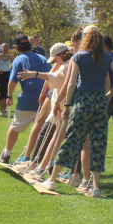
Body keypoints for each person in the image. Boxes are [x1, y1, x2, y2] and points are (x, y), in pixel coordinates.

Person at [41, 26, 113, 197]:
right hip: (100, 102)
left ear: (85, 38)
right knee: (98, 143)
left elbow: (71, 84)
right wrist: (109, 94)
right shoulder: (106, 57)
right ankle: (95, 187)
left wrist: (67, 105)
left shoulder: (78, 56)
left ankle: (52, 180)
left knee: (72, 139)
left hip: (83, 101)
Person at [0, 34, 51, 164]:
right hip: (46, 98)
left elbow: (12, 81)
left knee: (15, 127)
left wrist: (9, 96)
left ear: (16, 47)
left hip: (28, 97)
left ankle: (6, 154)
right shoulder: (43, 58)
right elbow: (50, 77)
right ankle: (37, 158)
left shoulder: (18, 60)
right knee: (40, 129)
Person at [16, 43, 71, 177]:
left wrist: (33, 74)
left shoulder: (66, 66)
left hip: (62, 107)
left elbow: (54, 78)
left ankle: (40, 166)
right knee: (45, 133)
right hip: (57, 105)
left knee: (51, 137)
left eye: (56, 59)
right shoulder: (64, 64)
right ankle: (37, 163)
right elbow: (52, 76)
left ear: (62, 55)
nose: (55, 62)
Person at [0, 43, 14, 114]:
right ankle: (0, 110)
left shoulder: (10, 57)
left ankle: (4, 110)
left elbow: (15, 65)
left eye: (7, 47)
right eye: (4, 47)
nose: (5, 48)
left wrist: (11, 70)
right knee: (1, 92)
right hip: (0, 75)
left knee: (6, 93)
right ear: (1, 48)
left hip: (7, 74)